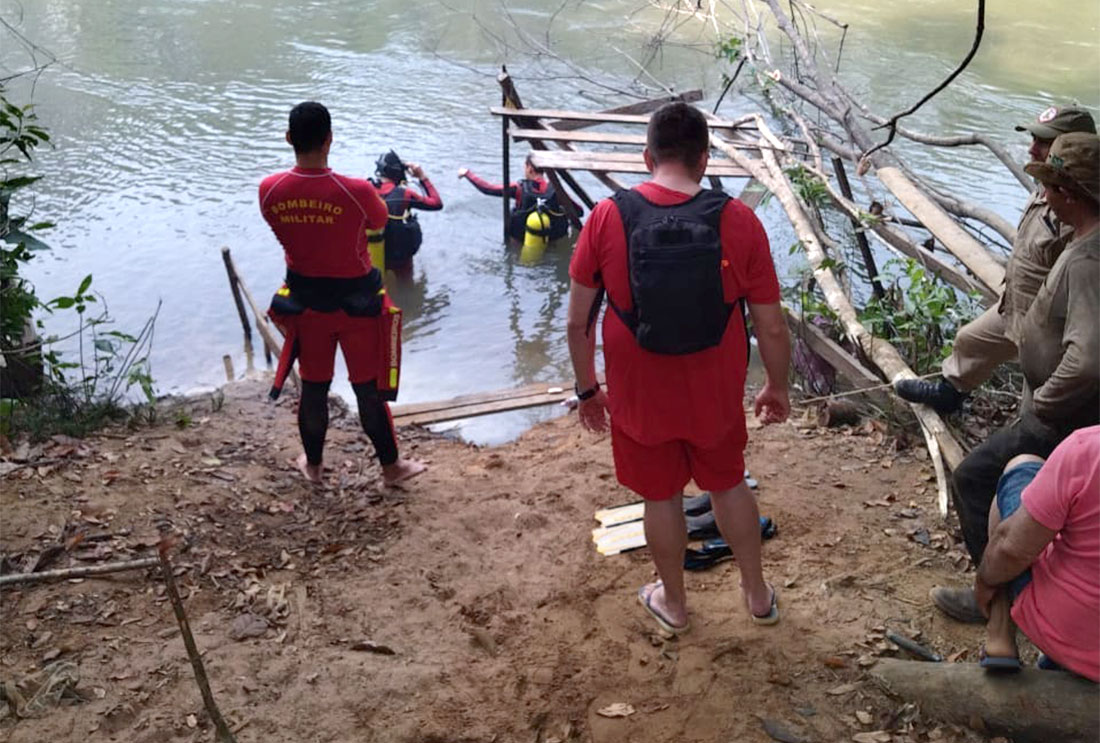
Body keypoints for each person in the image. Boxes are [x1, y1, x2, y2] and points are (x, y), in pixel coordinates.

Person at [565, 102, 791, 633]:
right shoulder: (738, 219)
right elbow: (772, 326)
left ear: (647, 157)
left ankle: (674, 602)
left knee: (661, 496)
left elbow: (578, 323)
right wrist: (776, 386)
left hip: (639, 392)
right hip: (713, 389)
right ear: (704, 159)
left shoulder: (605, 217)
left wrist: (586, 391)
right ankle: (757, 596)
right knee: (729, 483)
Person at [933, 131, 1100, 622]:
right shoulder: (1082, 240)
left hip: (1063, 416)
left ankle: (1000, 601)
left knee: (974, 479)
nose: (1044, 195)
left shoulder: (1088, 262)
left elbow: (1087, 358)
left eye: (1051, 186)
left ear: (1069, 194)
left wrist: (1045, 405)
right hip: (1073, 414)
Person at [258, 101, 426, 487]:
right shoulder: (354, 191)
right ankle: (391, 468)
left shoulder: (270, 190)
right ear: (330, 140)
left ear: (288, 139)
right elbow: (379, 221)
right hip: (357, 307)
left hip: (307, 305)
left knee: (314, 388)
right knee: (367, 390)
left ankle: (313, 466)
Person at [895, 105, 1096, 413]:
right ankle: (951, 393)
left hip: (1046, 326)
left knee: (1036, 399)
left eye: (1043, 143)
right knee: (970, 340)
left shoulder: (1079, 213)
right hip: (1014, 305)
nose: (1032, 149)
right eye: (1034, 139)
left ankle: (1031, 446)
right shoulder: (1048, 188)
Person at [974, 426, 1098, 681]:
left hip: (1070, 633)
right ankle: (1056, 662)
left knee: (1022, 468)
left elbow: (1010, 549)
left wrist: (984, 581)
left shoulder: (1087, 448)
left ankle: (1000, 628)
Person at [458, 154, 579, 243]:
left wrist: (467, 173)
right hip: (551, 240)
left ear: (529, 168)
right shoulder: (556, 190)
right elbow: (579, 211)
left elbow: (488, 189)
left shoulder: (519, 189)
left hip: (521, 242)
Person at [369, 150, 443, 281]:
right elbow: (436, 203)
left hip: (373, 251)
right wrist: (422, 177)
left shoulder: (366, 189)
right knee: (406, 283)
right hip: (399, 256)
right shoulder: (406, 194)